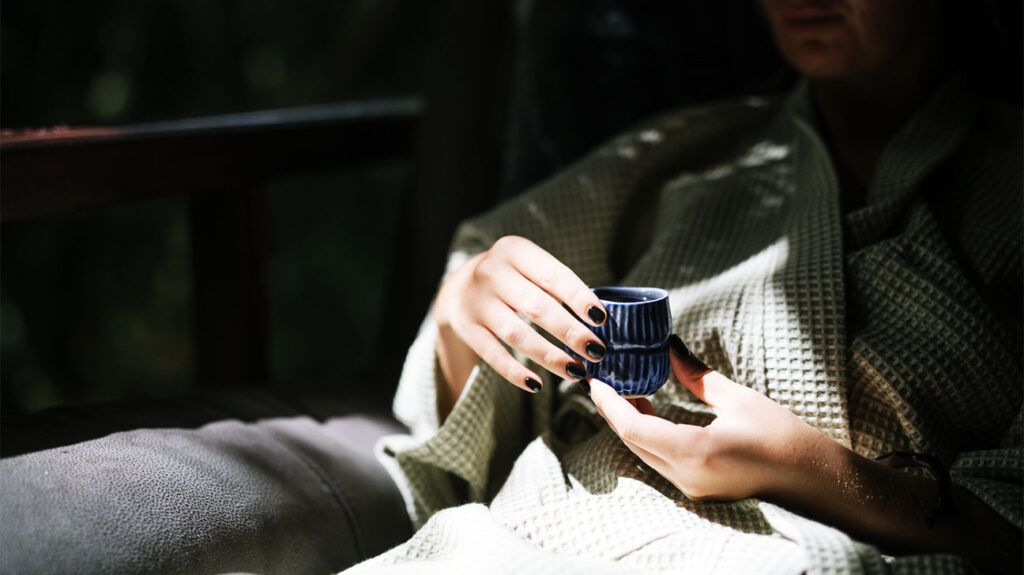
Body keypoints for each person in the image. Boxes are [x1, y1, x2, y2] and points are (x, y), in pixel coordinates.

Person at [349, 0, 1022, 573]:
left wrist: (817, 473)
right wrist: (464, 310)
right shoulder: (678, 157)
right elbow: (458, 430)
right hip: (536, 534)